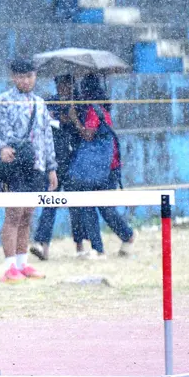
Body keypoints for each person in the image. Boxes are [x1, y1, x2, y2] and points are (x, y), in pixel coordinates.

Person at [0, 58, 57, 282]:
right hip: (14, 166)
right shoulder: (2, 102)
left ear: (35, 76)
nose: (25, 80)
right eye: (21, 76)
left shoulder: (40, 104)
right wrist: (1, 148)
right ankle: (9, 266)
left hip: (36, 167)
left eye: (30, 76)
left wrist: (51, 167)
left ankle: (23, 263)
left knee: (27, 214)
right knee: (13, 213)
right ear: (13, 77)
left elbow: (47, 137)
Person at [68, 74, 135, 258]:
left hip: (102, 169)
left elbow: (88, 135)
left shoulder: (93, 111)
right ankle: (114, 241)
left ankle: (110, 243)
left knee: (96, 206)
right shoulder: (102, 109)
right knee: (99, 206)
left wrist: (74, 119)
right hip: (107, 167)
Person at [30, 74, 79, 260]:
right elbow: (44, 126)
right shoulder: (49, 103)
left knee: (76, 205)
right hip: (56, 161)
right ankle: (43, 245)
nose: (63, 89)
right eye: (60, 85)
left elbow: (80, 129)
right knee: (50, 203)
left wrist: (72, 117)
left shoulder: (80, 104)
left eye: (67, 85)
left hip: (74, 161)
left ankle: (80, 245)